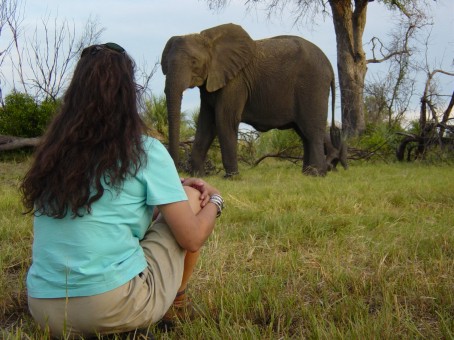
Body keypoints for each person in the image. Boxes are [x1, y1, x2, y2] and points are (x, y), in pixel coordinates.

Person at [20, 42, 224, 338]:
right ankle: (173, 303)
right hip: (108, 307)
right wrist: (215, 200)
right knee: (192, 198)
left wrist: (170, 190)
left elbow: (112, 209)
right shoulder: (145, 150)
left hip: (44, 310)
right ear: (129, 94)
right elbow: (191, 238)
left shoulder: (53, 153)